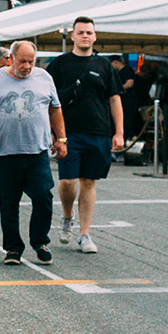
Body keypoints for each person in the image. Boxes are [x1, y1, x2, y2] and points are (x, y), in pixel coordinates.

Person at [0, 39, 66, 266]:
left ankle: (40, 242)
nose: (27, 66)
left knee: (44, 196)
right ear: (10, 58)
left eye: (31, 62)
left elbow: (55, 108)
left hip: (37, 151)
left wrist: (61, 138)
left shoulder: (44, 77)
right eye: (22, 61)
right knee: (9, 202)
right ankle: (13, 248)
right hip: (6, 152)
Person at [48, 16, 122, 254]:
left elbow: (114, 98)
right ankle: (67, 216)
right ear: (72, 36)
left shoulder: (104, 65)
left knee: (89, 181)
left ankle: (85, 234)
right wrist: (51, 131)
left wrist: (119, 132)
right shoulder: (59, 64)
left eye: (89, 32)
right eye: (80, 32)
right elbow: (48, 100)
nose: (85, 36)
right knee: (67, 181)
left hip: (98, 130)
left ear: (95, 36)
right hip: (67, 132)